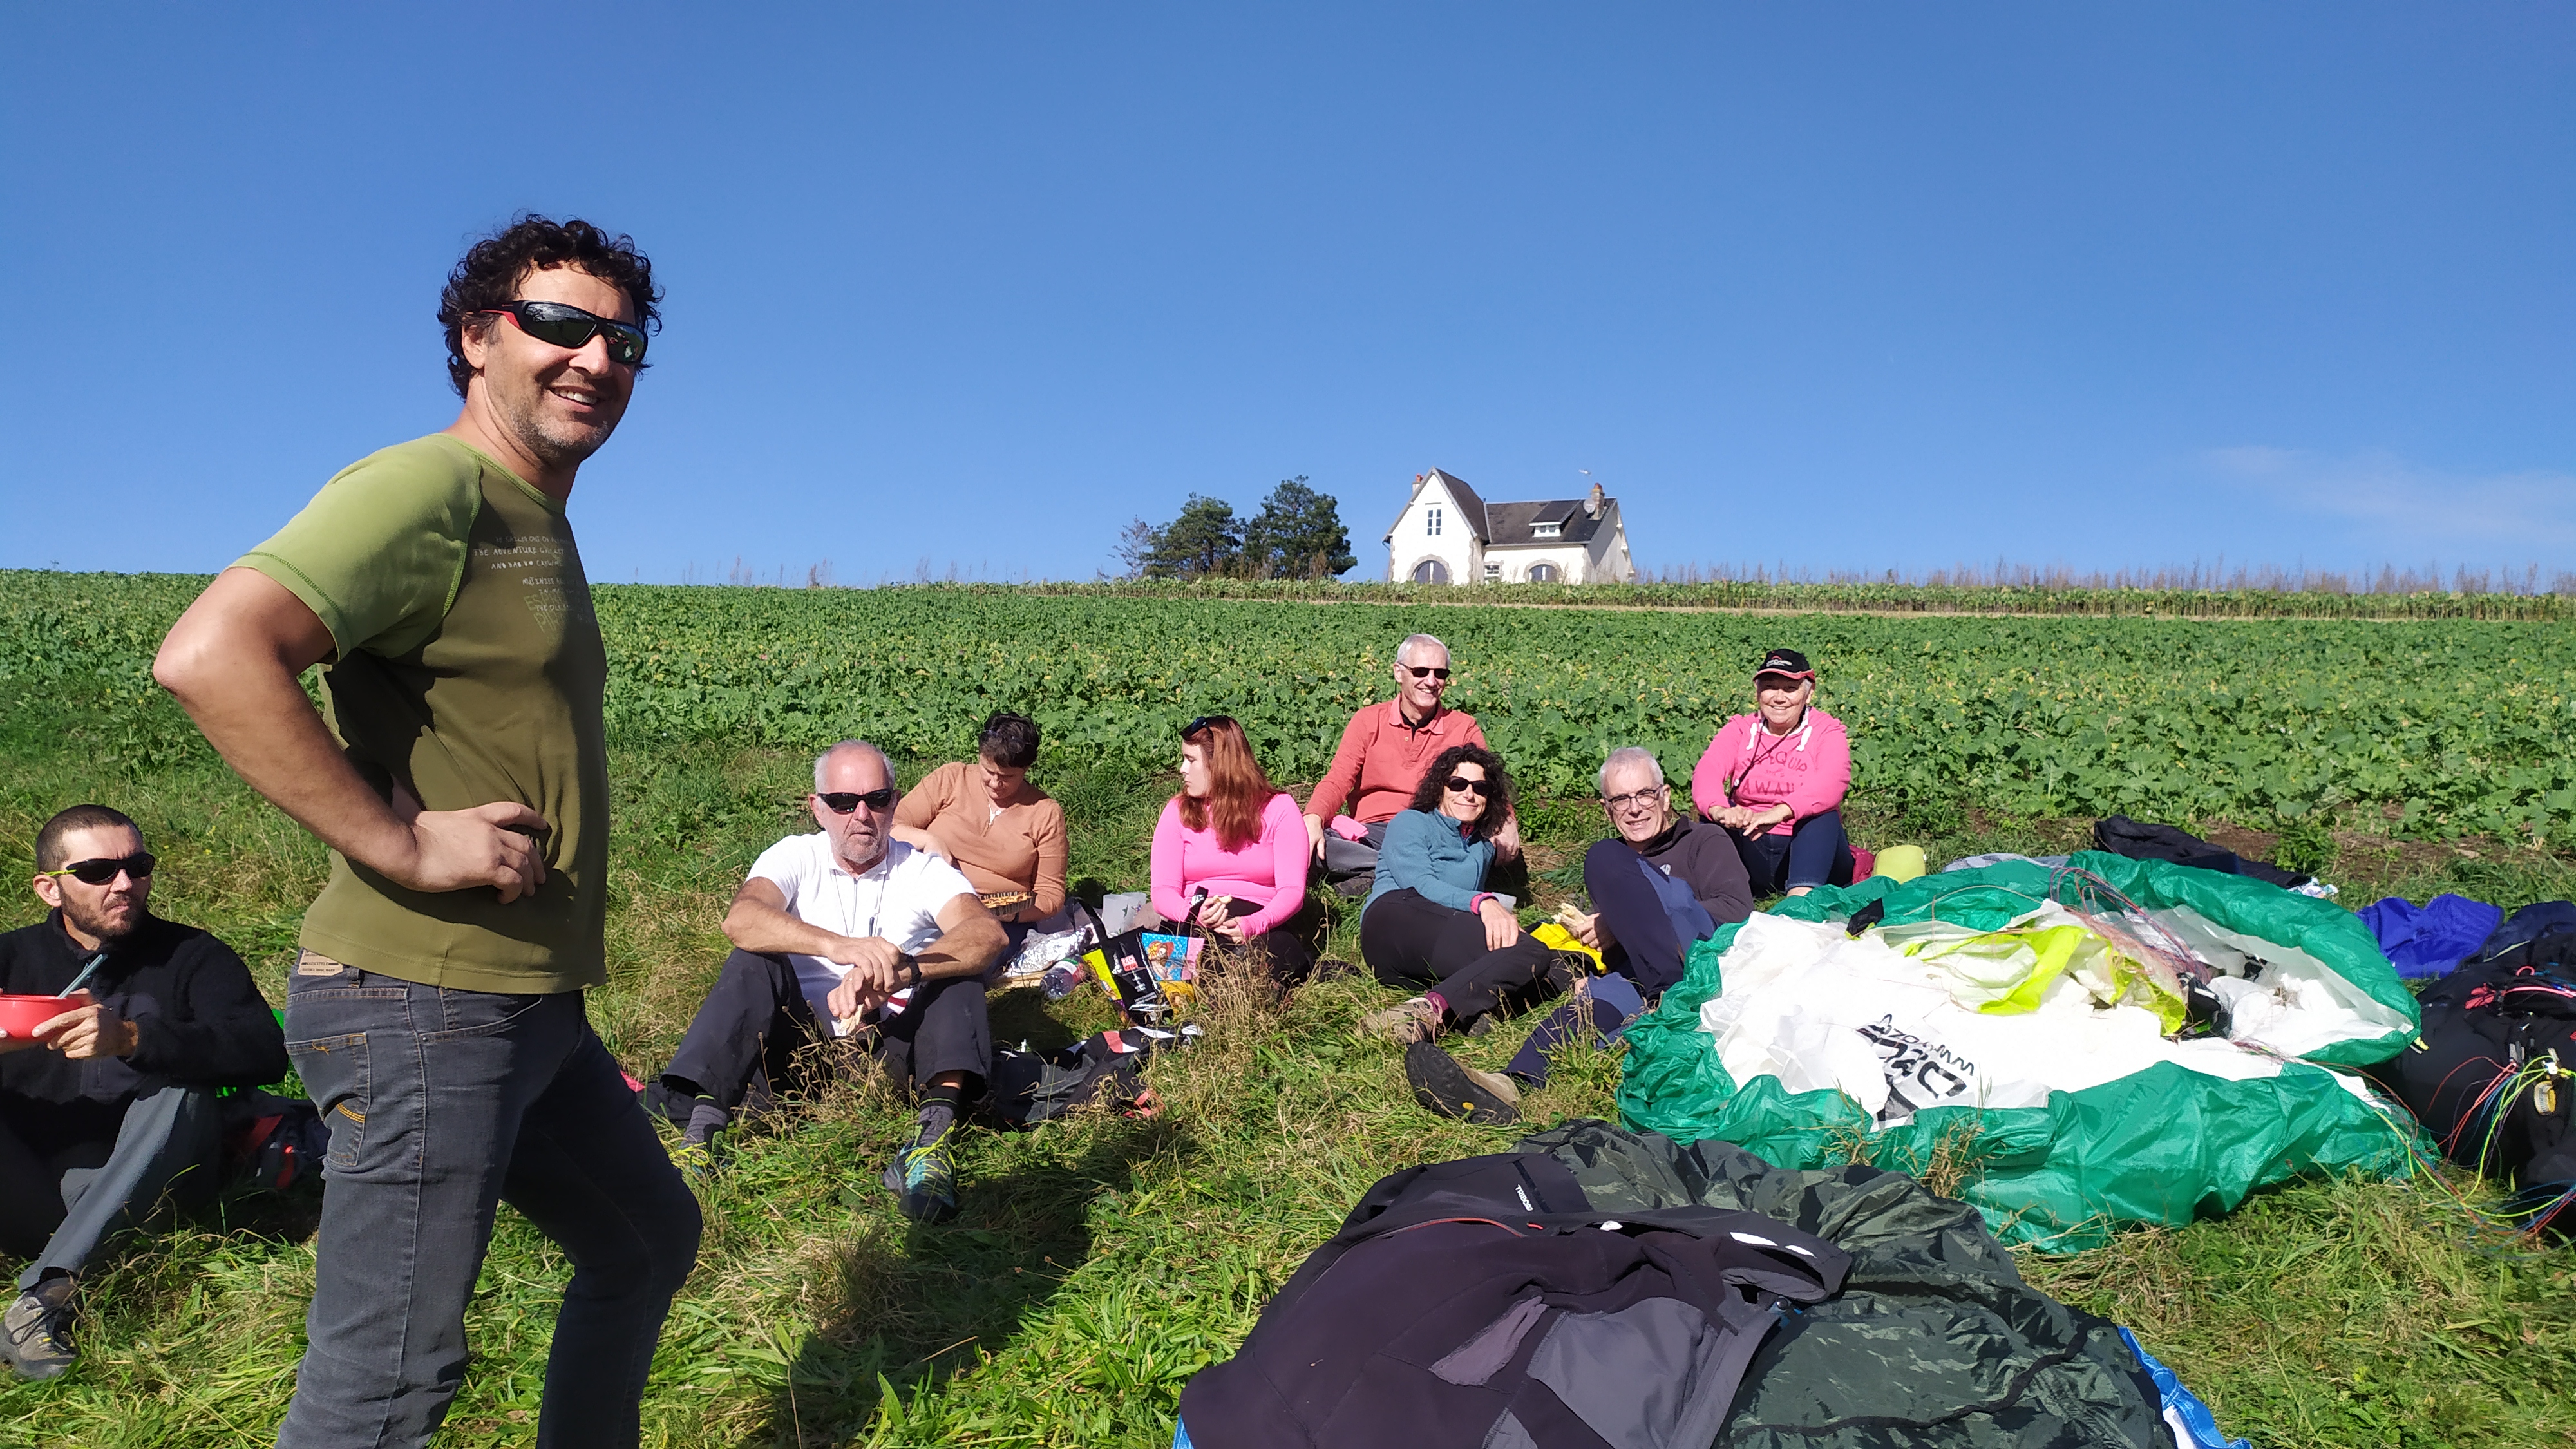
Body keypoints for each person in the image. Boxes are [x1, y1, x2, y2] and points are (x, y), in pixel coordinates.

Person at [151, 216, 701, 1448]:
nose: (596, 359)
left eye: (623, 341)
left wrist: (383, 783)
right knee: (387, 1386)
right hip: (422, 1001)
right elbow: (212, 654)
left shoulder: (530, 515)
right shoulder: (431, 488)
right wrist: (399, 844)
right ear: (475, 338)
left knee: (643, 1240)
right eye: (559, 325)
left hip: (527, 1007)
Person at [647, 741, 1007, 1222]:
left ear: (895, 802)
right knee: (753, 958)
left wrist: (904, 971)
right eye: (843, 802)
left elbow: (986, 934)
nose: (862, 815)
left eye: (877, 799)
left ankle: (931, 1146)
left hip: (887, 1050)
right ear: (817, 808)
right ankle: (701, 1140)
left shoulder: (921, 869)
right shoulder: (795, 856)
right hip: (796, 1050)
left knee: (957, 971)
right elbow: (742, 919)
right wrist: (839, 947)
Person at [0, 806, 289, 1380]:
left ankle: (47, 1296)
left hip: (152, 1186)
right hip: (33, 1184)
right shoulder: (10, 959)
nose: (124, 884)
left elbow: (265, 1052)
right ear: (49, 889)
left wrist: (133, 1038)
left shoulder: (192, 956)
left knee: (184, 1091)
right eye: (97, 871)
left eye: (138, 866)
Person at [1358, 746, 1571, 1045]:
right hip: (1392, 920)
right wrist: (1484, 902)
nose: (1468, 794)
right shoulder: (1411, 822)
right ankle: (1432, 1012)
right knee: (1531, 952)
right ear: (1440, 788)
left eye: (1480, 788)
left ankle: (1443, 1012)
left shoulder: (1482, 847)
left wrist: (1501, 919)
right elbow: (1419, 883)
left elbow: (1462, 911)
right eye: (1457, 784)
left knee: (1537, 960)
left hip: (1430, 947)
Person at [1302, 634, 1517, 893]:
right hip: (1373, 833)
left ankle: (1380, 875)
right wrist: (1313, 817)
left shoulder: (1462, 727)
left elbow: (1488, 781)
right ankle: (1408, 872)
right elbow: (1338, 779)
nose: (1431, 681)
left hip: (1434, 833)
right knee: (1312, 842)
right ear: (1398, 672)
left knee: (1475, 847)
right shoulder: (1368, 721)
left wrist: (1506, 821)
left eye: (1440, 673)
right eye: (1421, 672)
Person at [1146, 715, 1318, 989]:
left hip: (1260, 923)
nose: (1182, 769)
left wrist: (1254, 924)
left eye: (1191, 760)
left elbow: (1292, 891)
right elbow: (1163, 890)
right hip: (1193, 921)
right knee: (1163, 964)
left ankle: (1234, 987)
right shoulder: (1177, 811)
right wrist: (1193, 914)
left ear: (1219, 765)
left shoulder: (1279, 809)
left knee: (1278, 950)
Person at [1689, 648, 1871, 897]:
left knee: (1822, 813)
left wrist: (1779, 812)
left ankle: (1800, 900)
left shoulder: (1827, 731)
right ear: (1758, 692)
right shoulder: (1740, 729)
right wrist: (1720, 810)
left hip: (1812, 851)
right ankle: (1722, 895)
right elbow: (1707, 771)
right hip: (1752, 842)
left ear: (1808, 693)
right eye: (1770, 687)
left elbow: (1832, 783)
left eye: (1790, 688)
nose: (1779, 697)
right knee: (1710, 817)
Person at [891, 710, 1070, 951]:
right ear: (980, 756)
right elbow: (890, 825)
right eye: (988, 771)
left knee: (958, 957)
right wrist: (928, 840)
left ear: (1026, 769)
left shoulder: (1045, 813)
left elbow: (1050, 895)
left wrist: (1010, 912)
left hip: (995, 918)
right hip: (930, 897)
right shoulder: (952, 779)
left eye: (1007, 777)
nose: (995, 783)